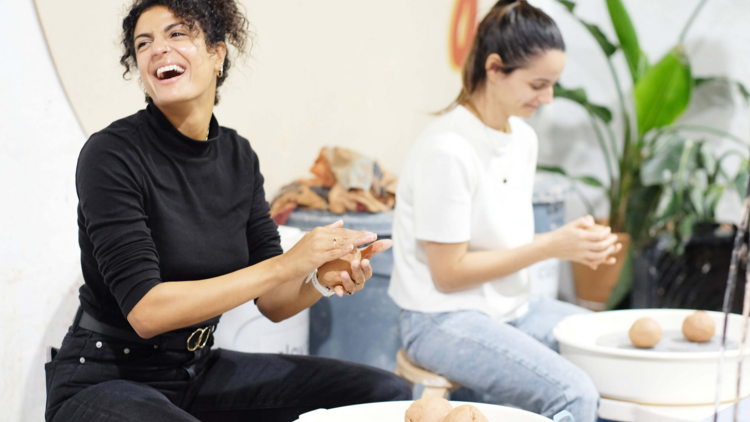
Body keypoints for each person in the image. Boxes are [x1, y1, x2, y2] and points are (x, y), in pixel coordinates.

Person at [44, 1, 411, 421]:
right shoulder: (111, 154)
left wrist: (322, 279)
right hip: (107, 378)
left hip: (194, 370)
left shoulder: (238, 157)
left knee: (385, 392)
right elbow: (147, 311)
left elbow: (272, 303)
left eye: (177, 34)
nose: (158, 49)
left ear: (217, 53)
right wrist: (287, 265)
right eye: (143, 43)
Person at [388, 1, 622, 421]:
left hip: (513, 309)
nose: (548, 98)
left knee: (613, 349)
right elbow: (449, 273)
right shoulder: (448, 149)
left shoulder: (521, 139)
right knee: (574, 394)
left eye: (553, 85)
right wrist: (552, 245)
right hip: (440, 319)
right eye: (538, 84)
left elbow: (501, 245)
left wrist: (573, 243)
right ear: (495, 69)